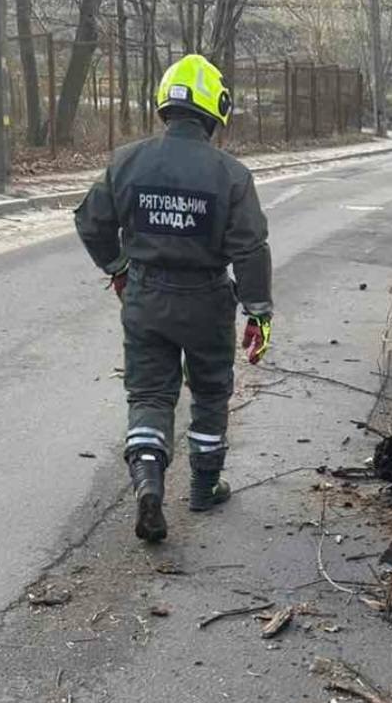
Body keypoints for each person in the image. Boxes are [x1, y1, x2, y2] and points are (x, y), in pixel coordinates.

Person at [75, 54, 273, 544]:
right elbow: (250, 249)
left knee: (149, 394)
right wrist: (259, 313)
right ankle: (205, 488)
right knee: (209, 392)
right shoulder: (231, 174)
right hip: (206, 300)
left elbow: (90, 221)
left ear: (165, 103)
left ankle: (148, 483)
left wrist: (118, 268)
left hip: (146, 296)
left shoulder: (127, 161)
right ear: (215, 110)